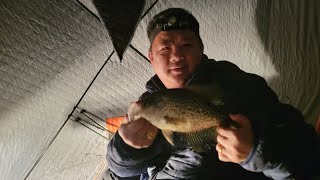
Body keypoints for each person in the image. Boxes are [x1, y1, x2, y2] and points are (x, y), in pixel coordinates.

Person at [105, 8, 320, 180]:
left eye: (186, 44)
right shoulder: (148, 104)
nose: (177, 56)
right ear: (151, 57)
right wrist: (126, 148)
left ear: (201, 49)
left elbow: (309, 155)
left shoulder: (242, 86)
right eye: (165, 49)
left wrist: (255, 150)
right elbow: (121, 171)